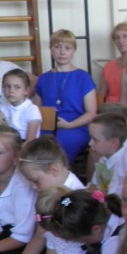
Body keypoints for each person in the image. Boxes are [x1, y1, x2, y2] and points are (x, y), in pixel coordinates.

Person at [35, 29, 97, 163]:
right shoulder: (43, 78)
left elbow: (91, 112)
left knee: (59, 145)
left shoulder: (83, 77)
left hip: (75, 127)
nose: (62, 52)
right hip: (47, 127)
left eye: (67, 48)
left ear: (74, 51)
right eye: (57, 47)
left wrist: (69, 125)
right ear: (51, 49)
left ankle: (58, 173)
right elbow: (36, 109)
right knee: (36, 144)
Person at [99, 22, 127, 104]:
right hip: (110, 108)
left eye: (125, 36)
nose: (121, 41)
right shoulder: (109, 66)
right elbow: (101, 94)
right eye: (117, 38)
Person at [0, 68, 41, 141]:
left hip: (27, 145)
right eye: (7, 86)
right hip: (7, 143)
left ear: (26, 90)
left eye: (17, 87)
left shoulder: (32, 109)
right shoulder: (2, 108)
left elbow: (30, 141)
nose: (11, 91)